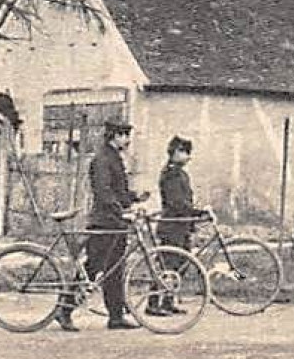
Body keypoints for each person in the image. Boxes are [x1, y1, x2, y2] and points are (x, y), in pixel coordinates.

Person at [54, 119, 147, 332]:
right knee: (93, 267)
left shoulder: (114, 158)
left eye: (127, 134)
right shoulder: (102, 159)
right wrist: (122, 212)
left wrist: (134, 198)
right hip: (104, 222)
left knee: (115, 270)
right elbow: (104, 193)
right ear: (114, 136)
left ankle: (115, 317)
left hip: (115, 223)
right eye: (124, 134)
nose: (127, 139)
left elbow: (118, 191)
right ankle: (64, 309)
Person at [150, 135, 208, 317]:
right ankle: (153, 303)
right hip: (172, 226)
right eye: (184, 152)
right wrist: (198, 212)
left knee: (180, 265)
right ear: (174, 153)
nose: (187, 157)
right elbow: (177, 203)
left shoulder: (180, 173)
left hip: (181, 226)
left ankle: (168, 302)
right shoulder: (171, 174)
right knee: (168, 266)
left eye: (188, 153)